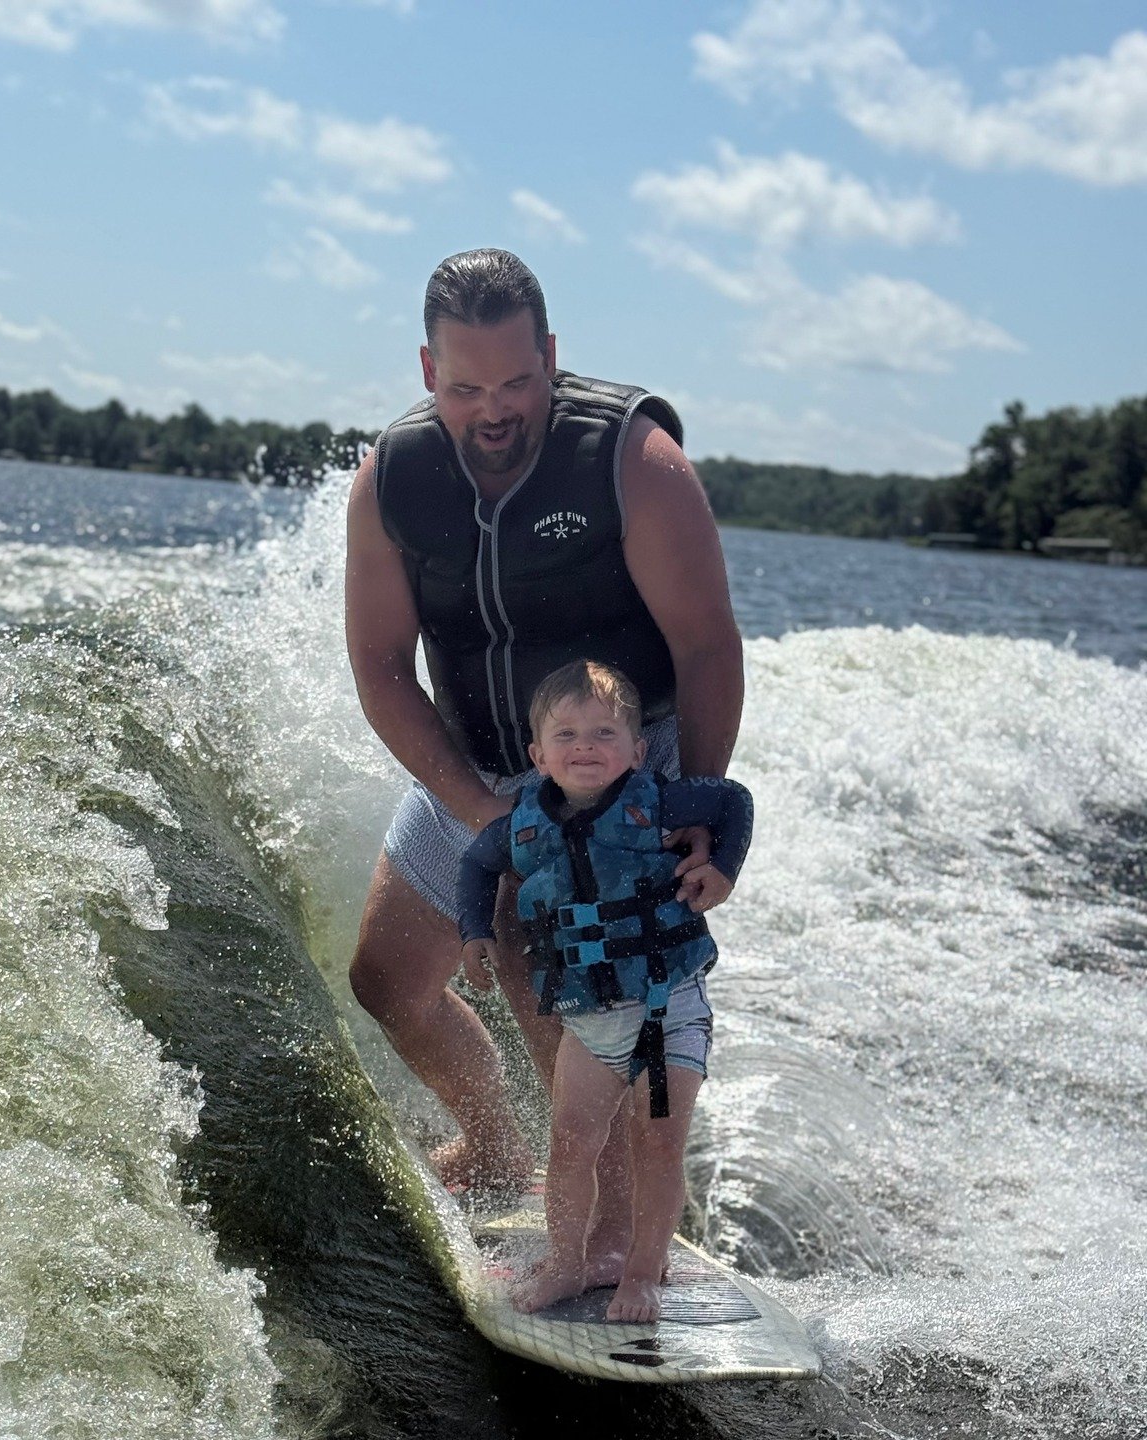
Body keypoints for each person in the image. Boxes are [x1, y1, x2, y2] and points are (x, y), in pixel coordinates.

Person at [345, 247, 743, 1275]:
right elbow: (384, 671)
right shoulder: (390, 484)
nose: (495, 409)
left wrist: (690, 806)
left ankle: (615, 1221)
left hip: (618, 758)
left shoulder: (634, 461)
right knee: (388, 981)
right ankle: (495, 1146)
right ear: (428, 371)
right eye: (467, 386)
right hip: (479, 763)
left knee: (536, 933)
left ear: (552, 358)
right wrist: (482, 812)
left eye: (519, 381)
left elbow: (707, 646)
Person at [456, 660, 752, 1323]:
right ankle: (567, 1262)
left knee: (657, 1140)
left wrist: (724, 871)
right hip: (589, 1019)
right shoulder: (522, 826)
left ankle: (644, 1274)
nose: (584, 746)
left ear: (638, 750)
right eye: (565, 735)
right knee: (571, 1143)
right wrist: (475, 931)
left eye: (602, 733)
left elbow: (733, 802)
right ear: (536, 755)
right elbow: (477, 864)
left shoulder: (662, 804)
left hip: (661, 1007)